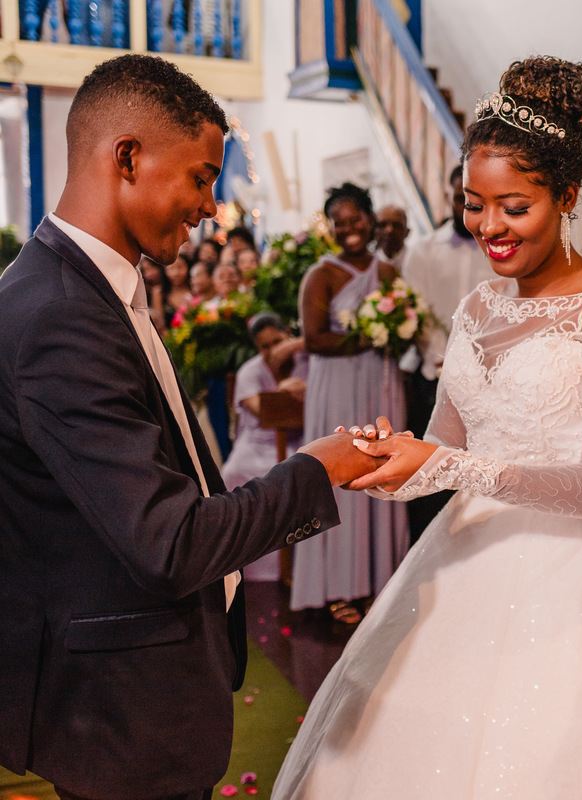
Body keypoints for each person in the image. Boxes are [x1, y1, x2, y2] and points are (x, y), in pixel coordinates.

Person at [272, 55, 582, 800]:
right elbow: (445, 446)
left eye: (514, 206)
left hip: (570, 584)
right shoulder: (476, 309)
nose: (488, 227)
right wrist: (387, 465)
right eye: (474, 204)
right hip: (459, 563)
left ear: (567, 196)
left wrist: (450, 469)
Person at [0, 53, 378, 800]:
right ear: (129, 158)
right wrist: (319, 468)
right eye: (202, 177)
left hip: (128, 692)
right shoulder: (59, 317)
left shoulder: (90, 289)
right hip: (115, 707)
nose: (212, 206)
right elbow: (170, 543)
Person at [293, 182, 409, 623]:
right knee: (341, 473)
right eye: (339, 223)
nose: (349, 229)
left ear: (369, 218)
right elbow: (314, 339)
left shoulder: (389, 272)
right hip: (338, 388)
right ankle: (339, 585)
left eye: (355, 219)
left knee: (384, 469)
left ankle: (383, 581)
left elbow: (405, 325)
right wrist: (368, 334)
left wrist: (396, 332)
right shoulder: (320, 275)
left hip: (379, 383)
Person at [397, 166, 496, 537]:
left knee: (476, 471)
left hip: (489, 381)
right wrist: (444, 358)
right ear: (452, 198)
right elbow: (416, 312)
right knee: (434, 471)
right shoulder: (423, 250)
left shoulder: (499, 247)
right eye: (463, 200)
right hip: (432, 374)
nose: (467, 207)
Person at [222, 312, 309, 582]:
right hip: (257, 442)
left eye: (277, 341)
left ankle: (302, 567)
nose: (273, 350)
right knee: (233, 472)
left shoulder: (307, 363)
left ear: (288, 336)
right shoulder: (250, 371)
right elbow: (264, 412)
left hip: (299, 438)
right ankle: (249, 567)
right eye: (265, 346)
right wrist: (285, 391)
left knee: (308, 471)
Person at [163, 249, 194, 325]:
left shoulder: (195, 291)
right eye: (172, 268)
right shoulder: (160, 294)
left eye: (180, 267)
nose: (176, 273)